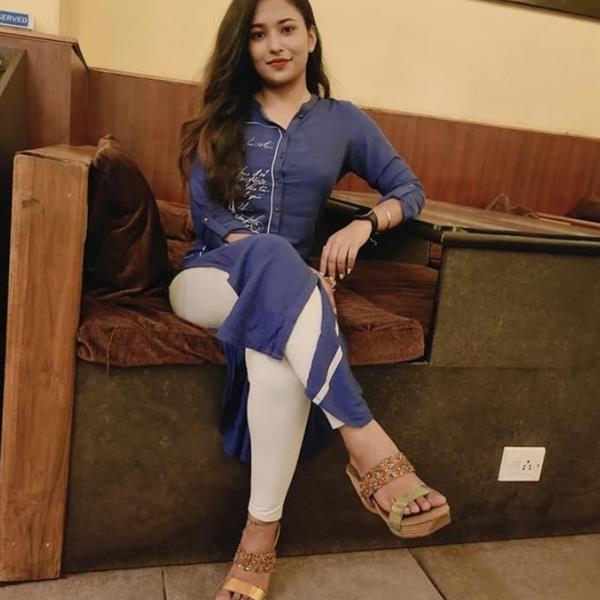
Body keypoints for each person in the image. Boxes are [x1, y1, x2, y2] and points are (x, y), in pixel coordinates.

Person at [171, 0, 450, 598]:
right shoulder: (220, 120)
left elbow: (409, 189)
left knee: (275, 362)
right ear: (243, 47)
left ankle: (259, 535)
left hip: (292, 293)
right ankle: (364, 437)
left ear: (311, 37)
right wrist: (279, 265)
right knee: (275, 257)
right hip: (209, 278)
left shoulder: (341, 121)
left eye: (287, 29)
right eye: (258, 34)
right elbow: (209, 216)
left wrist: (364, 225)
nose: (275, 44)